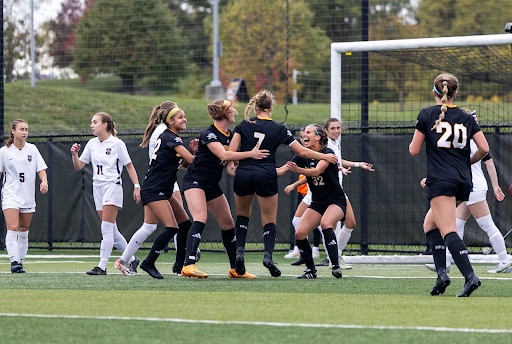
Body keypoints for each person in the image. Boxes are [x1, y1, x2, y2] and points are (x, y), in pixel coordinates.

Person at [227, 89, 337, 277]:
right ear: (270, 108)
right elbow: (302, 152)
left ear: (255, 107)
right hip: (266, 174)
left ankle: (239, 252)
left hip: (244, 174)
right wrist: (324, 155)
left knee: (242, 216)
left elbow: (231, 152)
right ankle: (268, 256)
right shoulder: (278, 128)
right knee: (268, 220)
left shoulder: (243, 125)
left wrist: (232, 167)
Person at [409, 73, 489, 297]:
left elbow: (413, 151)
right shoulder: (466, 116)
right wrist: (465, 161)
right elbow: (484, 148)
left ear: (435, 92)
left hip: (442, 180)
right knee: (430, 225)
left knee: (448, 230)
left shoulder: (427, 114)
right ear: (455, 92)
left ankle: (470, 275)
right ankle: (441, 275)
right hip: (463, 180)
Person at [180, 99, 269, 279]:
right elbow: (224, 154)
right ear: (224, 113)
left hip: (212, 184)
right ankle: (188, 264)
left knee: (228, 224)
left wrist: (245, 172)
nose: (235, 111)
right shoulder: (209, 133)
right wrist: (251, 154)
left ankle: (236, 269)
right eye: (232, 109)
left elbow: (229, 165)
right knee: (200, 218)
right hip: (195, 181)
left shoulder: (231, 135)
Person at [115, 101, 197, 278]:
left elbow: (184, 162)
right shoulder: (169, 136)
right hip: (154, 189)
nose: (184, 119)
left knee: (185, 224)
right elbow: (191, 160)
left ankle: (179, 264)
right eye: (180, 117)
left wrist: (192, 151)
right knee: (171, 227)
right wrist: (217, 154)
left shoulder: (172, 137)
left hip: (163, 188)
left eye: (184, 116)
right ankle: (148, 262)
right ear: (170, 120)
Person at [424, 113, 511, 274]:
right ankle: (445, 263)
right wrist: (495, 186)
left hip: (472, 187)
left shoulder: (462, 141)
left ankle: (505, 260)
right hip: (467, 186)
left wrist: (430, 178)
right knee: (456, 225)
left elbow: (450, 165)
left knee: (487, 225)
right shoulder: (471, 139)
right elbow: (488, 162)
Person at [71, 112, 141, 275]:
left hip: (112, 186)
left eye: (95, 122)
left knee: (106, 227)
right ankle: (131, 260)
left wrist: (136, 186)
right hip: (98, 187)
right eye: (91, 122)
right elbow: (79, 166)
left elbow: (129, 166)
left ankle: (102, 266)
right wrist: (74, 154)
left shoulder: (117, 144)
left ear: (105, 125)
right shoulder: (92, 143)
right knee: (113, 231)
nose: (92, 125)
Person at [277, 124, 346, 278]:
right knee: (300, 233)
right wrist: (258, 168)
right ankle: (311, 270)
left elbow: (316, 171)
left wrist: (298, 170)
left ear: (318, 137)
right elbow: (282, 170)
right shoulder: (303, 156)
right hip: (317, 203)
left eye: (308, 132)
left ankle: (335, 265)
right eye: (303, 133)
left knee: (326, 224)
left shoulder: (328, 153)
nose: (304, 135)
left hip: (335, 200)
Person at [316, 118, 374, 269]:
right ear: (326, 131)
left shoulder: (336, 142)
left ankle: (335, 256)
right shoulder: (326, 145)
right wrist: (339, 168)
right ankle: (333, 257)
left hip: (337, 189)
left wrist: (358, 164)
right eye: (333, 128)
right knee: (329, 225)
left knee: (350, 222)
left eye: (338, 128)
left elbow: (338, 161)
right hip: (329, 190)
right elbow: (326, 162)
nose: (336, 131)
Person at [0, 119, 48, 273]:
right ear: (13, 131)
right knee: (13, 228)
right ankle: (14, 262)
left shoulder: (32, 149)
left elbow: (41, 168)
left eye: (26, 129)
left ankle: (20, 262)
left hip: (27, 196)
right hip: (10, 195)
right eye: (21, 129)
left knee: (24, 229)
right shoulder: (4, 152)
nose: (25, 132)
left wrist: (44, 181)